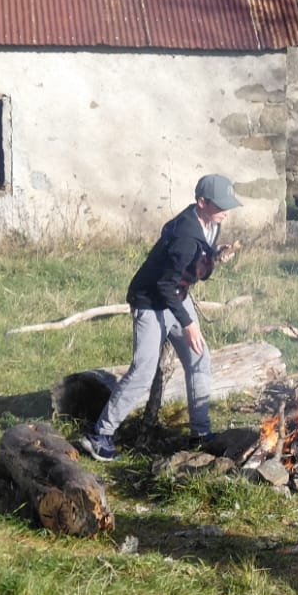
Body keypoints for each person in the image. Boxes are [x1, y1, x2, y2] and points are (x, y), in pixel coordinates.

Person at [82, 174, 242, 462]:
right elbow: (164, 285)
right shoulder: (184, 235)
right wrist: (189, 324)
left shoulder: (211, 224)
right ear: (201, 202)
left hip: (176, 297)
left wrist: (215, 257)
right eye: (221, 205)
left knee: (199, 359)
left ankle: (200, 434)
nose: (226, 212)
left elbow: (193, 270)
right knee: (143, 372)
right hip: (151, 302)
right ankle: (99, 435)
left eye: (228, 205)